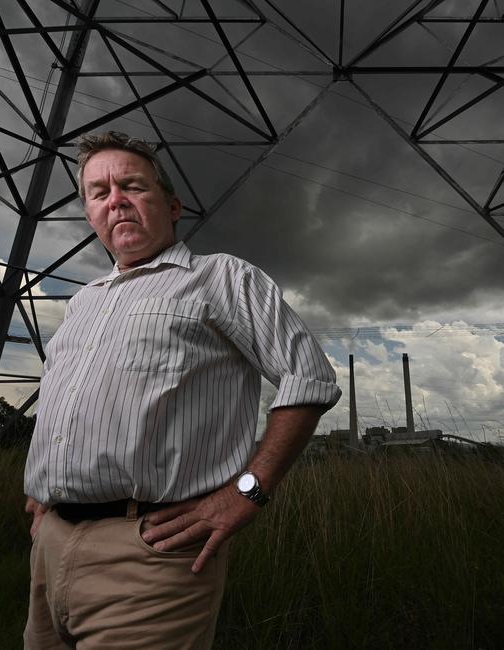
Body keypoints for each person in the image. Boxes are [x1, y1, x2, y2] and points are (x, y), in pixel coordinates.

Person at [23, 131, 341, 649]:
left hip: (150, 554)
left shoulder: (220, 278)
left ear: (172, 206)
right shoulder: (83, 302)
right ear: (90, 217)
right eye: (99, 193)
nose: (116, 200)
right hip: (49, 546)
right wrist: (44, 493)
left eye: (132, 186)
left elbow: (308, 377)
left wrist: (247, 493)